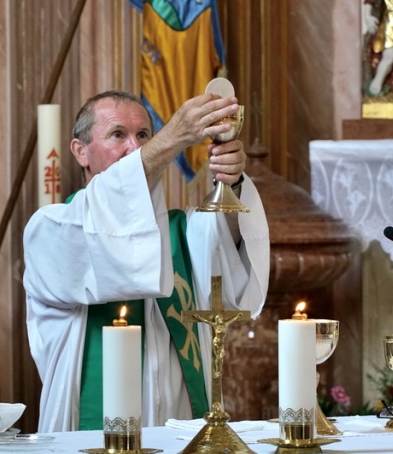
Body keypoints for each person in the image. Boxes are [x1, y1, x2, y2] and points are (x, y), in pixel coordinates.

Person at [24, 90, 270, 433]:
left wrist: (231, 183)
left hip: (177, 434)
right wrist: (174, 137)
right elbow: (103, 227)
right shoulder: (52, 229)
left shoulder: (179, 232)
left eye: (143, 135)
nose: (135, 147)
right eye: (117, 134)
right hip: (91, 437)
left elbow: (225, 245)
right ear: (80, 151)